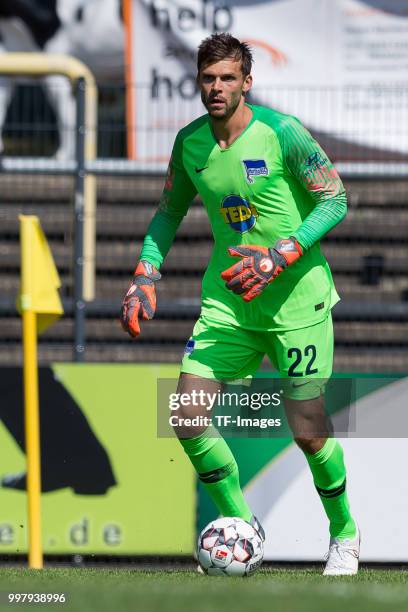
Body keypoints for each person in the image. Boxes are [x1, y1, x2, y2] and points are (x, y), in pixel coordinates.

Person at [121, 32, 359, 575]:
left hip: (297, 302)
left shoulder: (282, 133)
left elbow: (336, 197)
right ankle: (241, 525)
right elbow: (168, 211)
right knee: (186, 414)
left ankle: (344, 533)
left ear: (247, 82)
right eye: (209, 78)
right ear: (198, 81)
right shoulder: (190, 144)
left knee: (308, 428)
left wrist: (281, 254)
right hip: (229, 303)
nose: (217, 88)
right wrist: (145, 272)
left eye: (228, 78)